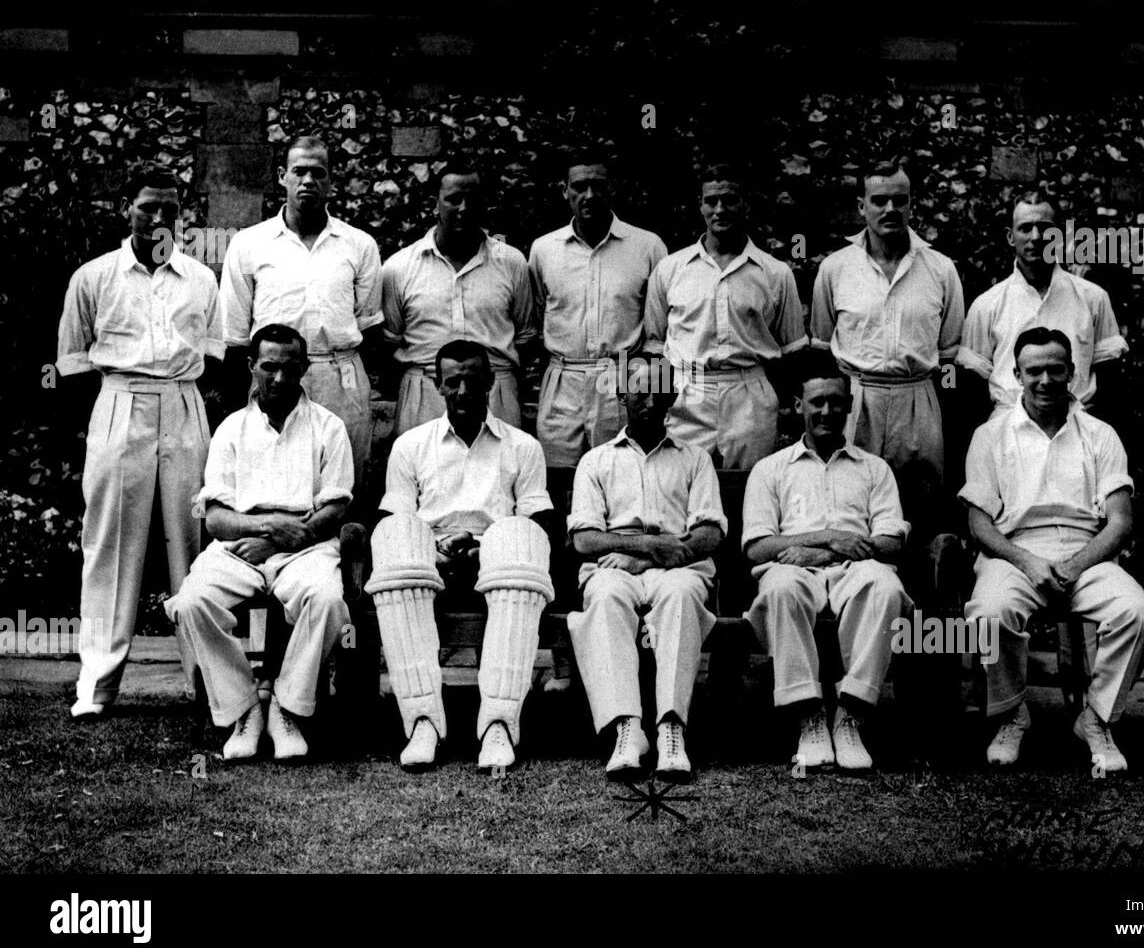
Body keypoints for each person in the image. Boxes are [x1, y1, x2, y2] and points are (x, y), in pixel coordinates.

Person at [56, 165, 223, 719]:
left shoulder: (201, 279)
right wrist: (110, 420)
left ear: (182, 213)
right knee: (108, 543)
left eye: (169, 209)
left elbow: (218, 358)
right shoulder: (93, 277)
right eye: (148, 206)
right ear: (126, 206)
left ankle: (208, 682)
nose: (158, 218)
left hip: (183, 403)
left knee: (194, 542)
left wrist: (186, 407)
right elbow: (74, 366)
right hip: (118, 403)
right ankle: (97, 686)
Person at [960, 327, 1144, 772]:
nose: (1045, 380)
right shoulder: (990, 435)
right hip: (1013, 553)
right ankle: (1013, 714)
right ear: (1017, 374)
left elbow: (1121, 522)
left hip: (1087, 554)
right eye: (1034, 371)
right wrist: (1027, 562)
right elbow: (979, 524)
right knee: (990, 612)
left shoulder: (1099, 434)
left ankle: (1097, 718)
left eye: (1056, 369)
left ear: (1072, 371)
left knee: (1140, 613)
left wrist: (1074, 564)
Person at [164, 324, 352, 762]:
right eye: (269, 367)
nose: (280, 379)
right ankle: (244, 708)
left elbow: (335, 511)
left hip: (305, 548)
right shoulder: (231, 429)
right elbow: (215, 518)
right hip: (239, 549)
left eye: (291, 368)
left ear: (305, 368)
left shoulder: (329, 427)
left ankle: (286, 709)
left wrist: (280, 538)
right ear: (252, 366)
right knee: (192, 601)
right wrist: (268, 530)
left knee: (327, 600)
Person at [373, 340, 555, 771]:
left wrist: (484, 548)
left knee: (518, 535)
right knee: (397, 534)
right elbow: (393, 516)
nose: (462, 391)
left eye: (472, 381)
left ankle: (498, 723)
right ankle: (423, 721)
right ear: (438, 384)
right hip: (428, 563)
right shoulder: (411, 445)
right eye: (451, 381)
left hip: (498, 562)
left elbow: (539, 522)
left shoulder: (522, 446)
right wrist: (433, 550)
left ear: (490, 382)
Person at [742, 350, 913, 772]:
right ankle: (810, 717)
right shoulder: (770, 470)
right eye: (816, 401)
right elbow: (758, 548)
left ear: (850, 406)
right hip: (792, 568)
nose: (827, 410)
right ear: (798, 406)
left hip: (856, 567)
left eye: (837, 402)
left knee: (886, 586)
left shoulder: (874, 469)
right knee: (780, 587)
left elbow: (891, 542)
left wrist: (825, 550)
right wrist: (829, 536)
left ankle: (850, 714)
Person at [567, 354, 725, 780]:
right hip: (615, 570)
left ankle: (671, 727)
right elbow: (584, 539)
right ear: (621, 394)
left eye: (660, 391)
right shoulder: (596, 461)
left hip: (679, 569)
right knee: (605, 595)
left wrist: (642, 552)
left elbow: (710, 534)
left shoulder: (695, 459)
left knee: (680, 594)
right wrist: (652, 546)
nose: (651, 401)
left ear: (673, 396)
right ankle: (627, 728)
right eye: (640, 391)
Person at [219, 135, 383, 496]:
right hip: (274, 380)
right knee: (272, 485)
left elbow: (370, 326)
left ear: (330, 181)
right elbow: (234, 337)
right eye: (299, 171)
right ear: (282, 176)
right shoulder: (249, 244)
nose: (308, 181)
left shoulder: (359, 245)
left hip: (340, 378)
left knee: (342, 487)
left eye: (318, 173)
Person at [810, 159, 964, 489]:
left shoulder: (941, 270)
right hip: (855, 400)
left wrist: (938, 411)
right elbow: (822, 347)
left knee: (919, 500)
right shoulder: (835, 269)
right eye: (879, 201)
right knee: (848, 492)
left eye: (900, 200)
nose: (890, 209)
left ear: (912, 205)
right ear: (862, 207)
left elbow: (950, 353)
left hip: (917, 399)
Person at [643, 164, 807, 470]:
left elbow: (792, 353)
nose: (720, 210)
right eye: (711, 201)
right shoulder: (670, 269)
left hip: (749, 394)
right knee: (682, 484)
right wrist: (660, 403)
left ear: (744, 204)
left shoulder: (775, 273)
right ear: (700, 205)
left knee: (752, 487)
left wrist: (785, 408)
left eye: (730, 200)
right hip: (686, 393)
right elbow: (654, 349)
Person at [528, 150, 667, 467]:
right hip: (563, 381)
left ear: (612, 189)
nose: (589, 195)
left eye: (598, 185)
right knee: (557, 477)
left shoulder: (648, 247)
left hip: (621, 381)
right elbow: (534, 322)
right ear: (565, 190)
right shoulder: (543, 250)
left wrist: (654, 405)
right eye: (579, 186)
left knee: (623, 474)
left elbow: (659, 338)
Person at [381, 162, 538, 435]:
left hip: (494, 393)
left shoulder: (512, 263)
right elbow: (387, 343)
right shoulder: (399, 267)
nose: (463, 208)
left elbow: (526, 338)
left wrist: (488, 378)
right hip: (424, 395)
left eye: (472, 199)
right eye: (453, 199)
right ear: (435, 203)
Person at [957, 189, 1128, 419]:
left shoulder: (1093, 298)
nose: (1036, 237)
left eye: (1045, 228)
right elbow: (969, 383)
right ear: (1010, 236)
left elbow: (1111, 378)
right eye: (1025, 228)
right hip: (1008, 433)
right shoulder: (986, 305)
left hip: (1076, 428)